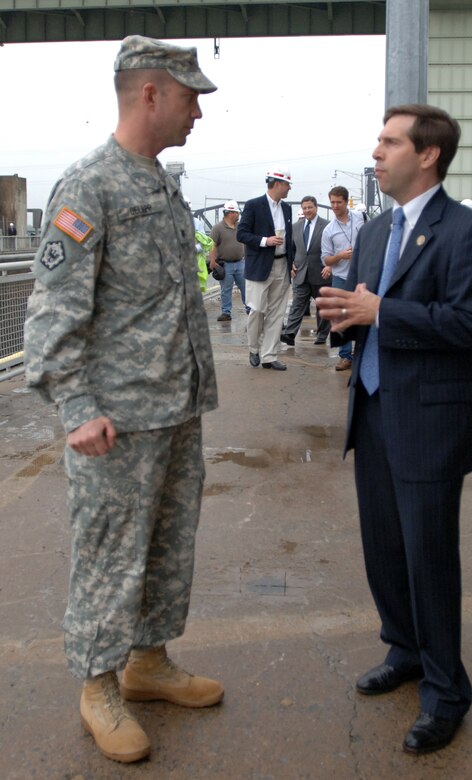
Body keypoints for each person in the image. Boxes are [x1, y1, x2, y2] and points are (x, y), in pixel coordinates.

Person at [23, 35, 224, 765]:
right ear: (151, 94)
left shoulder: (162, 184)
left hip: (175, 406)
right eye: (190, 96)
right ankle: (98, 684)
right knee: (109, 554)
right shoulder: (91, 185)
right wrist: (76, 408)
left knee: (168, 547)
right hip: (115, 420)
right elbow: (52, 313)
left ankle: (148, 662)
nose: (198, 110)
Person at [316, 104, 472, 755]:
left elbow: (467, 326)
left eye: (389, 142)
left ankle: (448, 691)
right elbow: (370, 308)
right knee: (386, 550)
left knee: (428, 559)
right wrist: (346, 318)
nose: (376, 153)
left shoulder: (470, 235)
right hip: (372, 411)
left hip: (427, 421)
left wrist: (381, 310)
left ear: (427, 155)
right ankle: (405, 650)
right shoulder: (375, 231)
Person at [237, 169, 293, 371]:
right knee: (257, 310)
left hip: (282, 265)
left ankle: (269, 355)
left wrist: (291, 261)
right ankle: (253, 348)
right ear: (277, 184)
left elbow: (290, 238)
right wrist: (265, 241)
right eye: (288, 184)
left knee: (277, 313)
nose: (289, 188)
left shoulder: (286, 209)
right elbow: (241, 234)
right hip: (259, 266)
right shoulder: (253, 205)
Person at [320, 186, 364, 370]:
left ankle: (362, 353)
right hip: (341, 277)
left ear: (347, 201)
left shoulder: (361, 219)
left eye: (339, 202)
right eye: (332, 203)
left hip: (363, 275)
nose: (335, 206)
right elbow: (326, 258)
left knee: (363, 315)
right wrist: (340, 256)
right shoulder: (329, 230)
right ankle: (345, 356)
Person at [280, 196, 330, 346]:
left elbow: (333, 248)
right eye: (305, 208)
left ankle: (321, 336)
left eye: (310, 207)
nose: (307, 210)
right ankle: (290, 334)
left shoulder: (327, 226)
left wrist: (330, 265)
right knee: (297, 304)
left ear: (316, 208)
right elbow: (291, 249)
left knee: (322, 307)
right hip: (300, 273)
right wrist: (291, 263)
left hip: (321, 273)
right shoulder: (295, 227)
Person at [209, 200, 247, 321]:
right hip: (226, 265)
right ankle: (226, 312)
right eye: (237, 212)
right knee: (226, 290)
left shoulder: (240, 227)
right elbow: (212, 245)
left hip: (241, 263)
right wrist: (212, 261)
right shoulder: (218, 228)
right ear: (231, 213)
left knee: (246, 288)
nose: (239, 215)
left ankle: (250, 309)